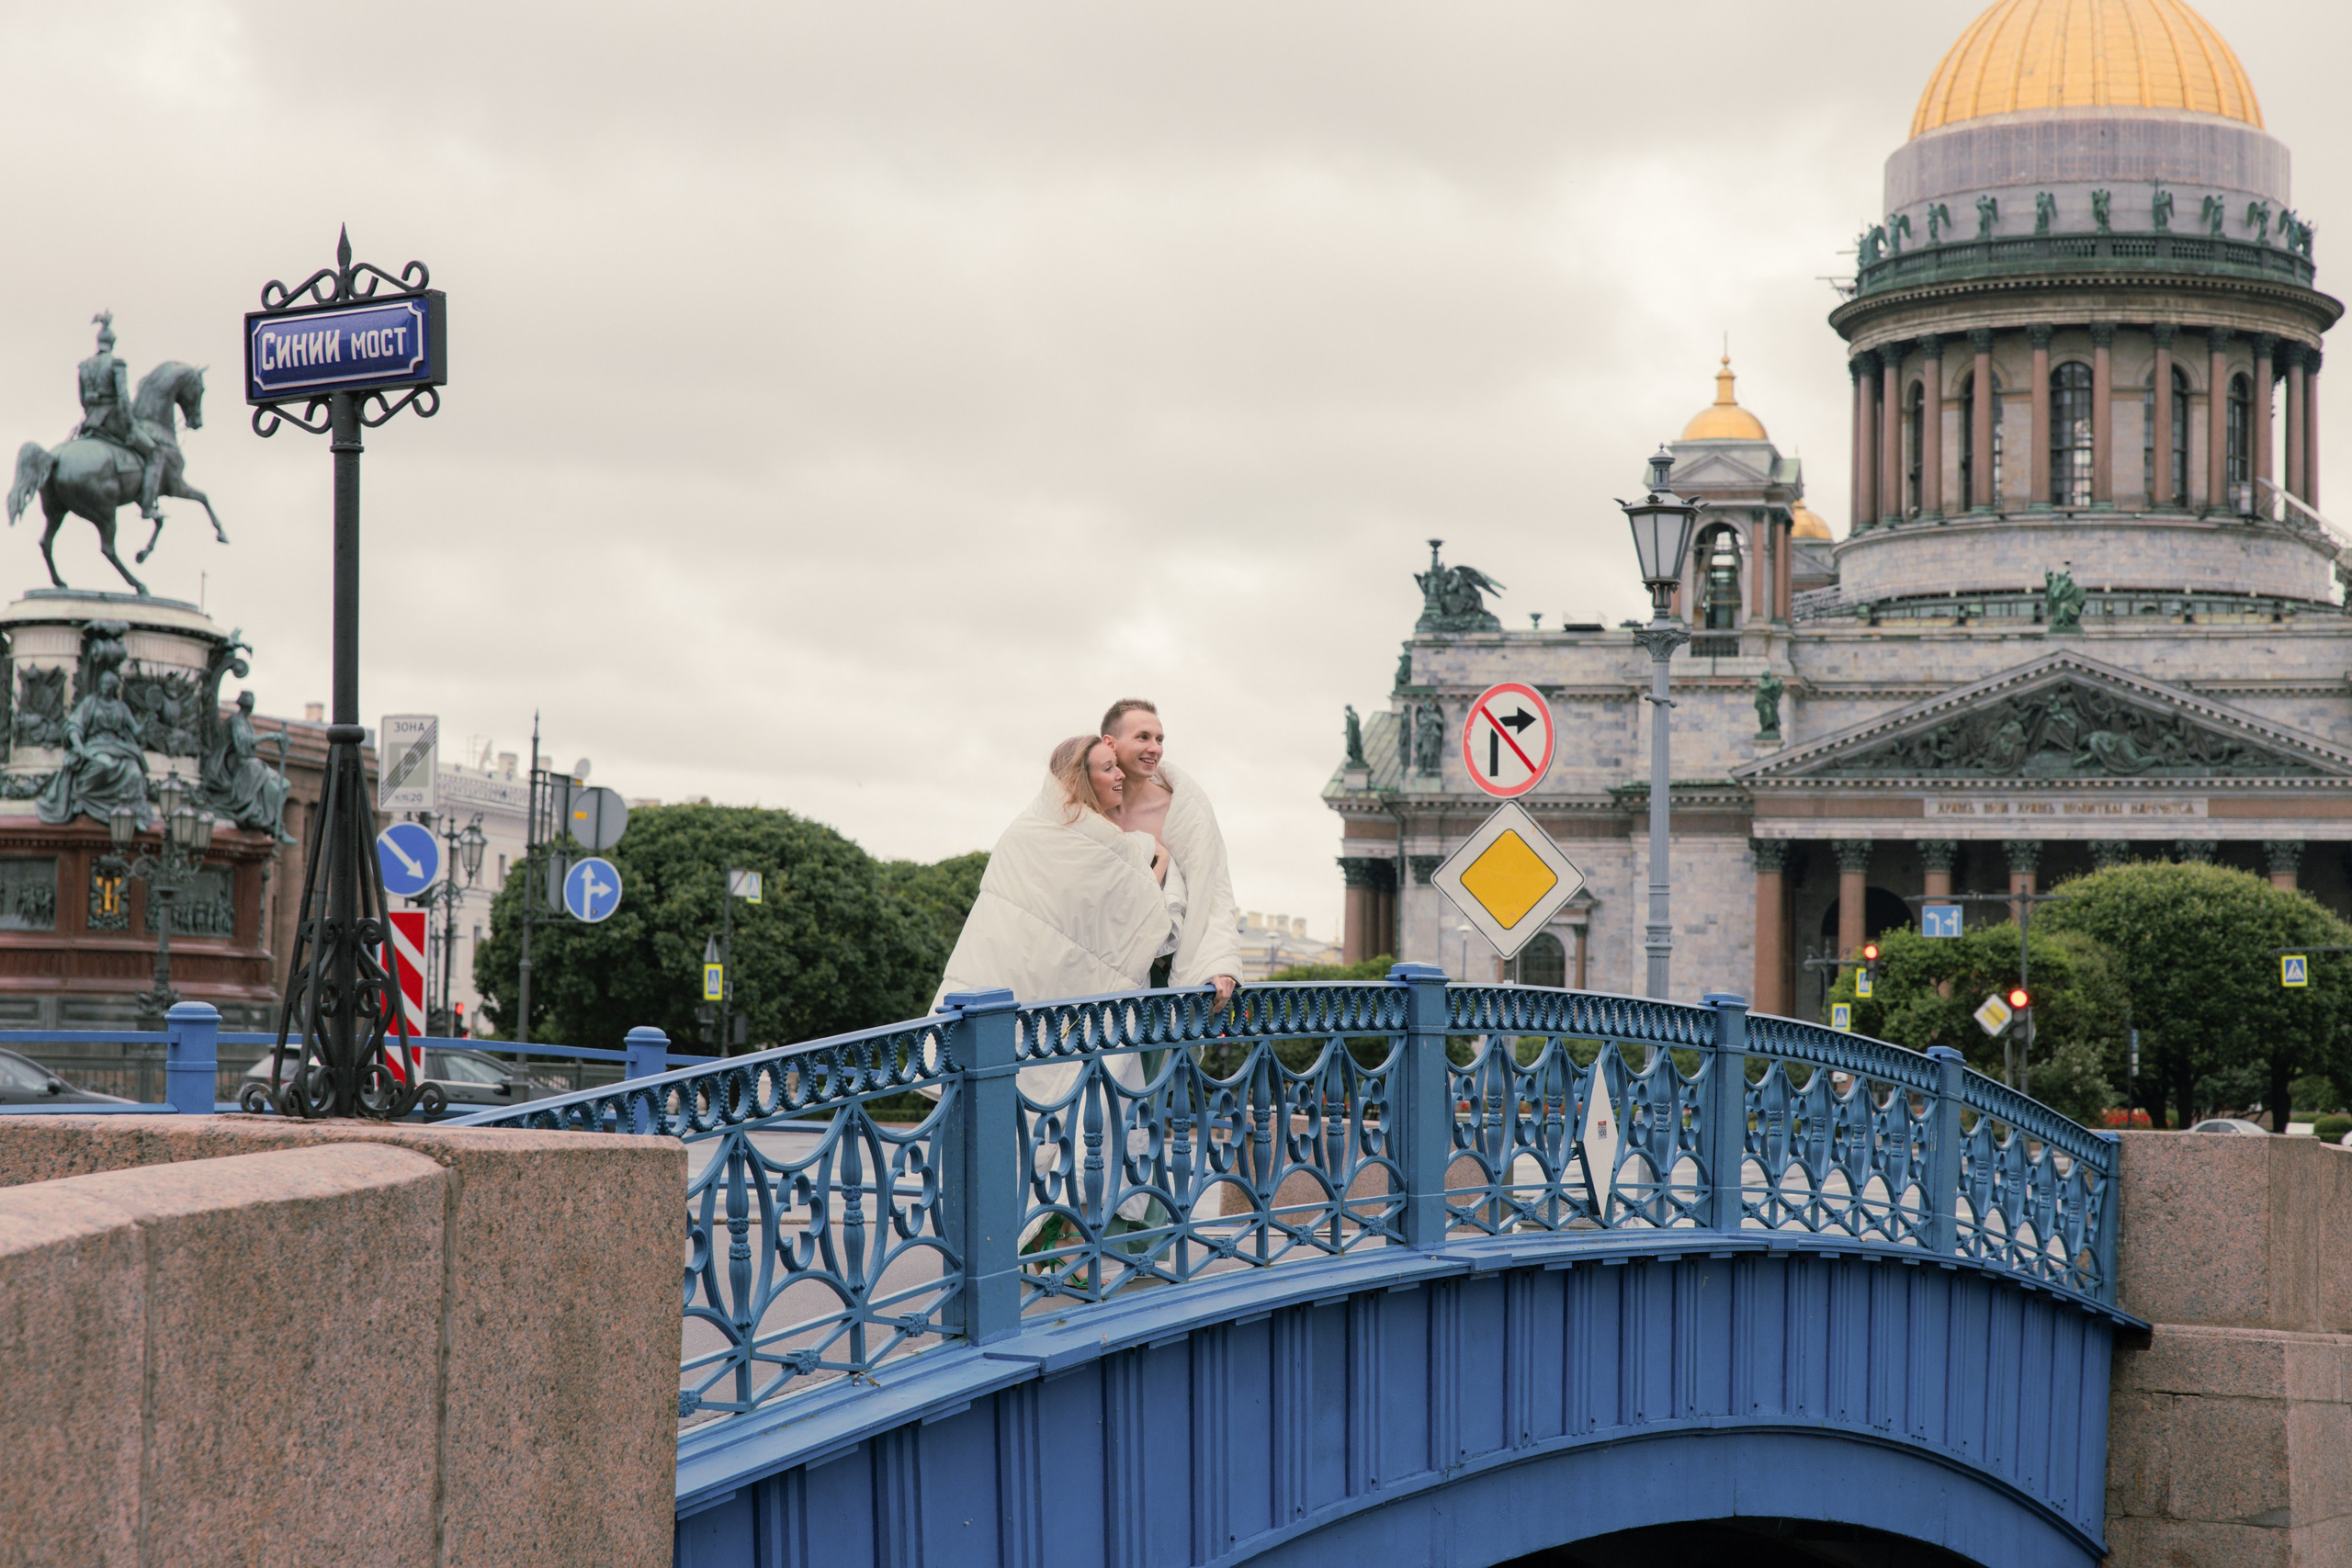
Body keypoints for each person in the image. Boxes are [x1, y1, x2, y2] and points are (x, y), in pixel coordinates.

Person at [932, 735, 1174, 1010]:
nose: (1121, 775)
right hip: (1012, 966)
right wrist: (1161, 857)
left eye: (1117, 766)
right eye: (1108, 769)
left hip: (1011, 977)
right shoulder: (1093, 840)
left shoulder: (1026, 827)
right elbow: (1135, 910)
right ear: (1080, 779)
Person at [1098, 699, 1242, 1005]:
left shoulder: (1184, 811)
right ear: (1109, 743)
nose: (1155, 748)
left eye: (1159, 739)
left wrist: (1219, 964)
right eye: (1143, 737)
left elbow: (1214, 892)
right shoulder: (1088, 809)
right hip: (1095, 965)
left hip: (1160, 969)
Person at [74, 312, 164, 522]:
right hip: (113, 420)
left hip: (91, 421)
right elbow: (122, 396)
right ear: (112, 343)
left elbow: (81, 398)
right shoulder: (117, 363)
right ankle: (148, 507)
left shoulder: (84, 365)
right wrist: (130, 422)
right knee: (155, 453)